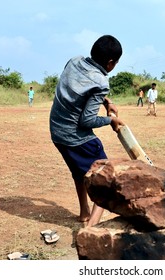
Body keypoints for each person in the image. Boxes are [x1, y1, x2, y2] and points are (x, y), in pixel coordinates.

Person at [49, 35, 124, 226]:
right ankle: (90, 229)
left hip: (57, 131)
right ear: (110, 63)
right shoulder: (101, 82)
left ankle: (84, 212)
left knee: (78, 172)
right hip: (75, 136)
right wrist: (111, 120)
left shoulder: (74, 61)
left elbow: (78, 87)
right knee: (106, 178)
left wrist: (107, 101)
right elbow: (87, 120)